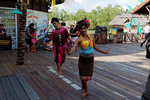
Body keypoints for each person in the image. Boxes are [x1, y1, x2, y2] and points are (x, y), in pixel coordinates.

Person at [66, 19, 110, 97]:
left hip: (90, 59)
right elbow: (72, 50)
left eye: (84, 28)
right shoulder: (78, 39)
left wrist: (104, 52)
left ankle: (84, 85)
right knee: (83, 75)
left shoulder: (91, 37)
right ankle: (86, 91)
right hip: (82, 60)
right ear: (79, 30)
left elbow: (95, 47)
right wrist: (69, 52)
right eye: (81, 29)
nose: (83, 30)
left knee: (87, 76)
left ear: (87, 28)